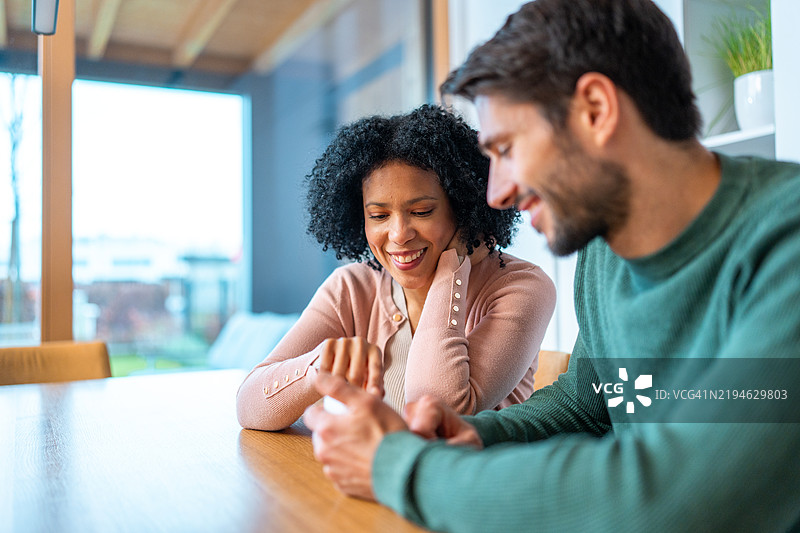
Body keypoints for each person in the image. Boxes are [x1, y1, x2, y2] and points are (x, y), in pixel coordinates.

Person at [303, 0, 800, 531]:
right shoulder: (607, 250)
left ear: (595, 109)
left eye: (507, 148)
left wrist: (400, 467)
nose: (496, 192)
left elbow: (685, 494)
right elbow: (589, 406)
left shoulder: (783, 242)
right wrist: (476, 434)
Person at [237, 104, 555, 431]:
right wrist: (316, 369)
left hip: (475, 480)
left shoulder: (522, 287)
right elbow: (249, 405)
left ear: (461, 208)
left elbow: (444, 411)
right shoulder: (353, 287)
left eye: (421, 211)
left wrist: (452, 270)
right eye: (378, 216)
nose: (399, 234)